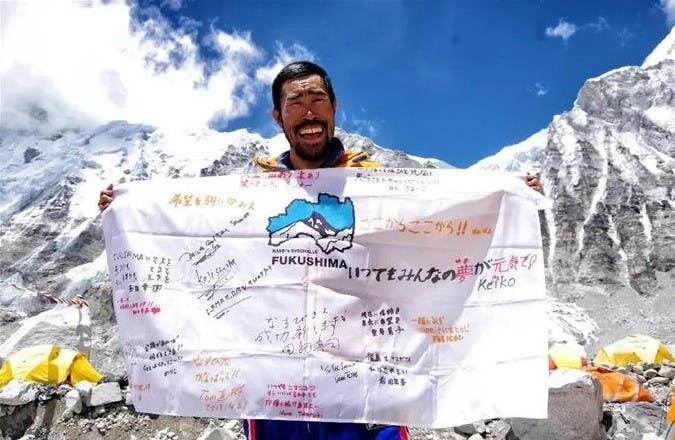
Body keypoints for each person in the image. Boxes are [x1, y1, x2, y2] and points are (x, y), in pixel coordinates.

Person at [98, 61, 542, 439]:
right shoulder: (255, 196)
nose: (308, 111)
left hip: (368, 385)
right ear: (278, 117)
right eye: (295, 102)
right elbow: (192, 239)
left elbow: (438, 232)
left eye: (317, 99)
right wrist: (127, 211)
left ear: (333, 109)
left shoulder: (379, 187)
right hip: (276, 389)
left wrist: (510, 195)